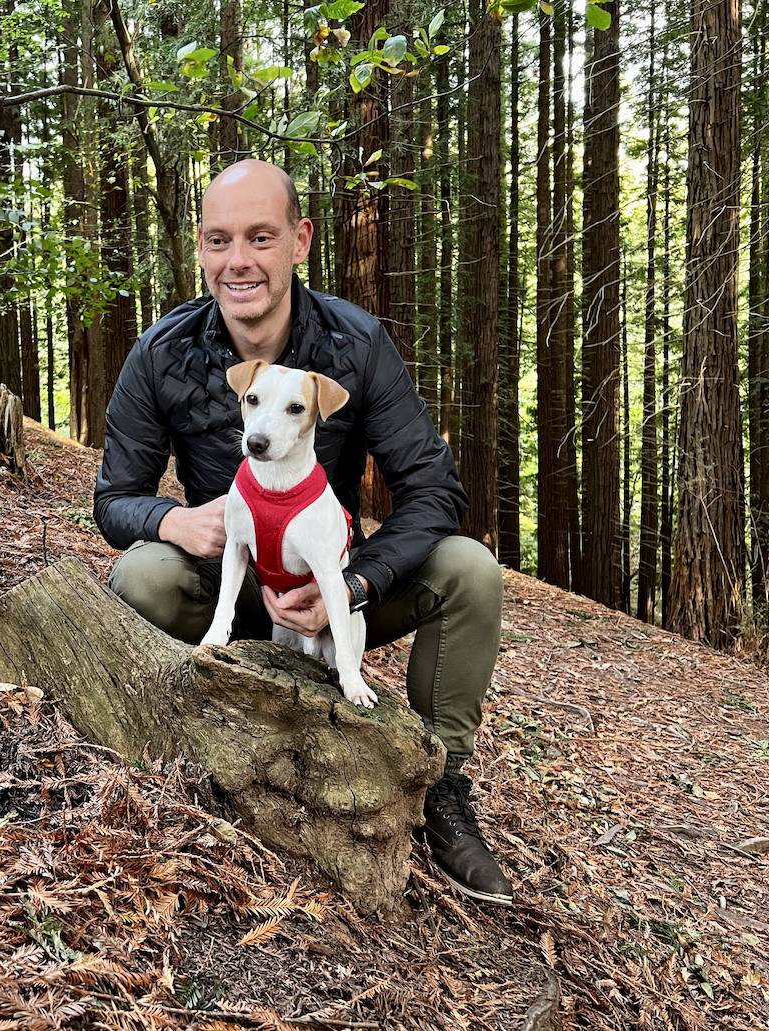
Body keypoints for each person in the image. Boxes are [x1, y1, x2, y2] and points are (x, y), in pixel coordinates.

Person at [92, 159, 511, 906]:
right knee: (140, 574)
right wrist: (172, 520)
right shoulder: (162, 353)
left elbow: (434, 490)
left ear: (300, 241)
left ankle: (440, 785)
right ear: (199, 248)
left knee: (470, 569)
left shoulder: (356, 344)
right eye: (219, 240)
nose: (239, 260)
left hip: (330, 589)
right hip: (231, 590)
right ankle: (198, 745)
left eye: (261, 236)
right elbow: (113, 499)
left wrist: (354, 582)